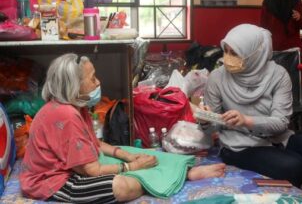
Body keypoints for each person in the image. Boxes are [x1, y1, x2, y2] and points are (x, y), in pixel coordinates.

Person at [19, 53, 226, 203]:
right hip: (52, 180)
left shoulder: (76, 105)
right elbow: (91, 171)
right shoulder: (65, 114)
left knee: (142, 152)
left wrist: (128, 156)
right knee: (123, 186)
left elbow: (95, 143)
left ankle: (184, 172)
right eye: (92, 79)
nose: (98, 82)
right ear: (74, 86)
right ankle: (178, 178)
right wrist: (131, 167)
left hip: (76, 166)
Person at [198, 24, 302, 201]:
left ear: (255, 54)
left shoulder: (278, 75)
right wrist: (205, 121)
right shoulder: (217, 78)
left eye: (235, 53)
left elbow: (280, 123)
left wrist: (246, 120)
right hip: (239, 144)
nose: (227, 59)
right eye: (226, 51)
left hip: (278, 137)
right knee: (294, 166)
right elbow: (212, 129)